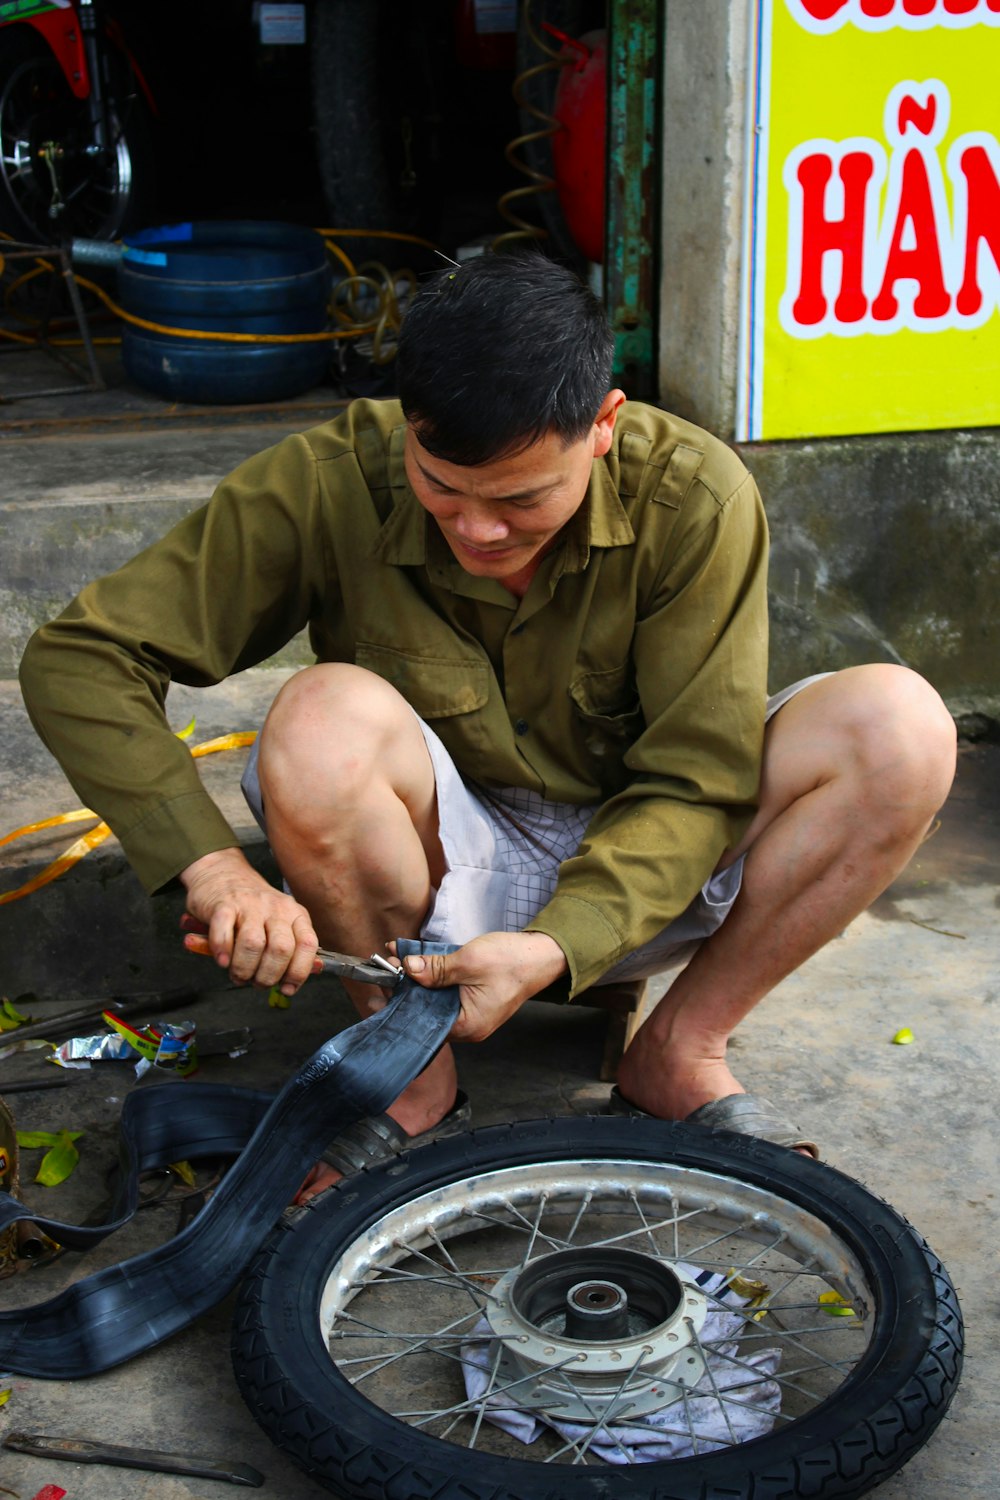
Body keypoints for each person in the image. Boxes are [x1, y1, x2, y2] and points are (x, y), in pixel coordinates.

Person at [19, 251, 956, 1197]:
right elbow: (81, 657)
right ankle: (408, 1076)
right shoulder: (331, 475)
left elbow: (695, 780)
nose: (477, 531)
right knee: (314, 718)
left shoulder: (695, 496)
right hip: (439, 862)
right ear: (408, 425)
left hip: (659, 861)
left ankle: (681, 1046)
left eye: (520, 499)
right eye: (442, 485)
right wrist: (216, 870)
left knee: (900, 725)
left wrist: (557, 942)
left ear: (603, 427)